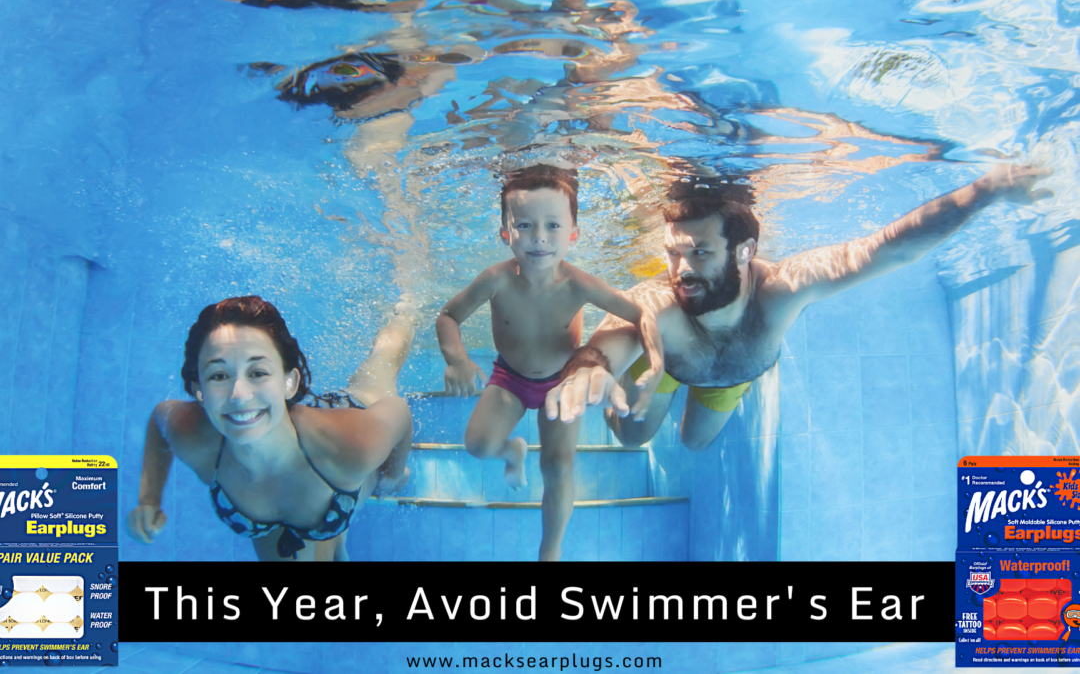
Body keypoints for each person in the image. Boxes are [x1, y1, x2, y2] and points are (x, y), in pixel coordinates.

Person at [544, 163, 1051, 450]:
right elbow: (608, 341)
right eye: (673, 253)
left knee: (695, 442)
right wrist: (585, 367)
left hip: (732, 374)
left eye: (699, 252)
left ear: (745, 251)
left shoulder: (783, 290)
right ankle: (665, 381)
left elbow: (888, 247)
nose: (681, 271)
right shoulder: (660, 304)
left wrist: (985, 191)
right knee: (632, 441)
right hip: (669, 360)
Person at [436, 164, 663, 561]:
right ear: (505, 232)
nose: (539, 237)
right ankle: (512, 452)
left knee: (558, 468)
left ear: (573, 233)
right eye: (524, 225)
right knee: (477, 444)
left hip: (563, 384)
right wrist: (456, 358)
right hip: (510, 379)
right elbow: (448, 316)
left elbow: (641, 314)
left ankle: (550, 552)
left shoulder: (579, 283)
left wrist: (656, 363)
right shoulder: (495, 279)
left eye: (553, 226)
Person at [127, 296, 415, 561]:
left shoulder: (354, 444)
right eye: (218, 375)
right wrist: (149, 499)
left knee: (380, 364)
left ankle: (406, 309)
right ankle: (334, 541)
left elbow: (400, 413)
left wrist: (392, 475)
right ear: (198, 390)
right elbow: (159, 420)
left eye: (258, 372)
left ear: (290, 382)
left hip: (335, 428)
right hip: (294, 473)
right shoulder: (191, 433)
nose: (238, 395)